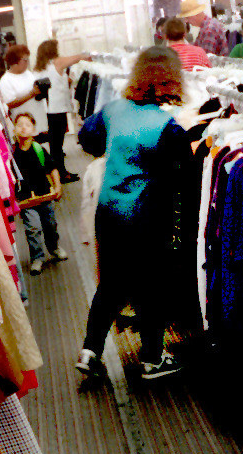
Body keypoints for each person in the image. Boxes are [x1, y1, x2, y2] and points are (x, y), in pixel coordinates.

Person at [76, 47, 192, 381]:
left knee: (110, 285)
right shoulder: (168, 127)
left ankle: (89, 351)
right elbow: (181, 175)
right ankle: (153, 359)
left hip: (109, 211)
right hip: (147, 218)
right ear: (171, 80)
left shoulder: (113, 110)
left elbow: (88, 139)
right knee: (150, 285)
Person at [10, 113, 67, 274]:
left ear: (34, 130)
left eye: (27, 125)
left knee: (50, 225)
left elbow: (53, 168)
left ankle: (54, 248)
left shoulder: (39, 150)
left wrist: (57, 187)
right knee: (33, 229)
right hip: (27, 200)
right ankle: (37, 257)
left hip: (45, 196)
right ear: (14, 129)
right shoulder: (12, 154)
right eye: (19, 124)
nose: (23, 127)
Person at [34, 40, 92, 183]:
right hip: (57, 110)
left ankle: (60, 172)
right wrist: (86, 55)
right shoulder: (56, 63)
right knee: (57, 145)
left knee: (56, 144)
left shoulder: (42, 67)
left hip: (50, 109)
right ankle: (61, 174)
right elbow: (76, 58)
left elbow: (56, 85)